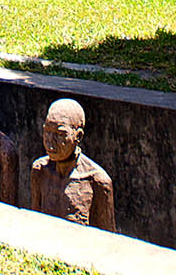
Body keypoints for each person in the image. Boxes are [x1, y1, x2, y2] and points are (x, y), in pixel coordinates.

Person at [30, 98, 115, 231]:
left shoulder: (97, 181)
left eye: (60, 134)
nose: (50, 141)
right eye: (47, 132)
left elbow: (109, 239)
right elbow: (35, 224)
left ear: (78, 136)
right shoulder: (39, 170)